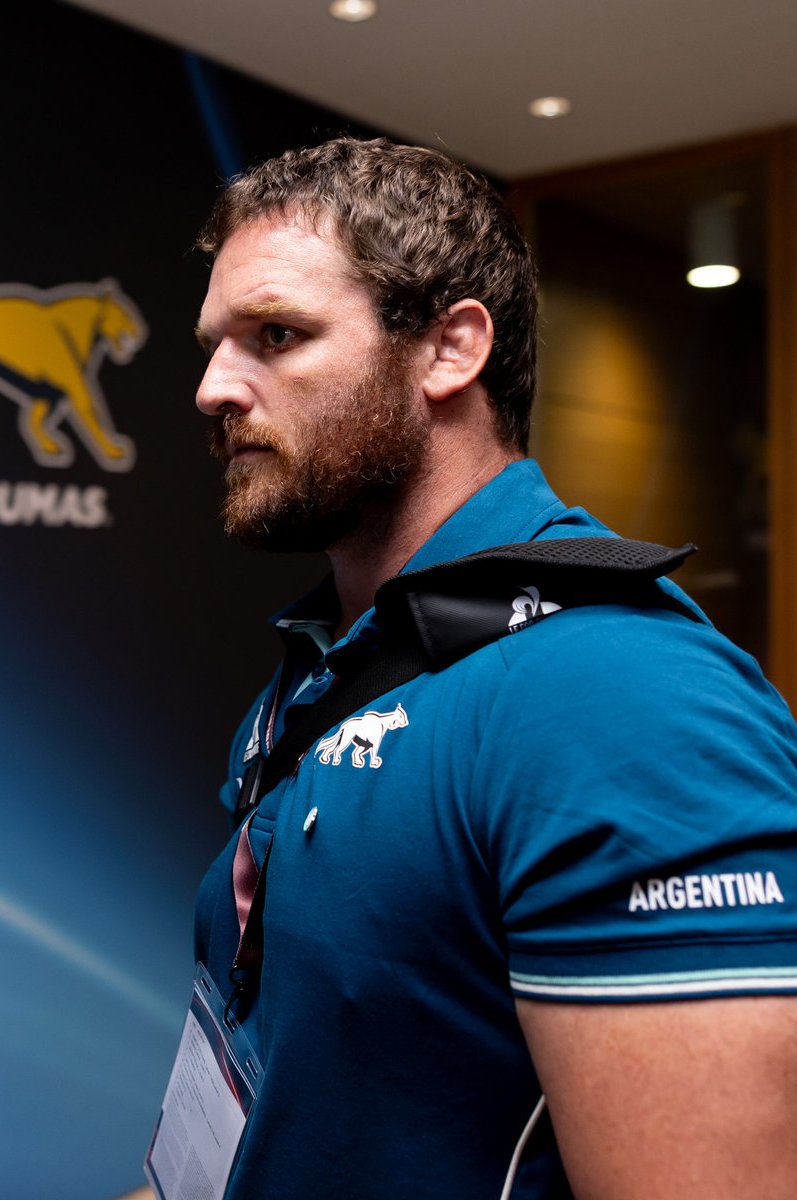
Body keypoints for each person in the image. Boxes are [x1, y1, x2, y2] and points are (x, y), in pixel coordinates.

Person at [188, 136, 797, 1199]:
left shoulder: (619, 698)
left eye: (276, 335)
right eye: (215, 345)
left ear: (450, 348)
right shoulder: (336, 656)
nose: (212, 389)